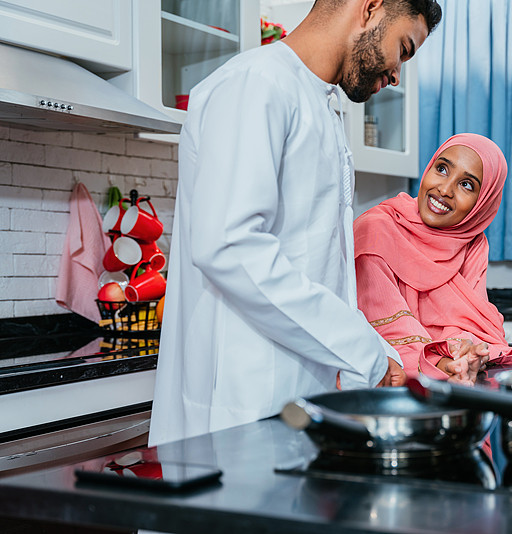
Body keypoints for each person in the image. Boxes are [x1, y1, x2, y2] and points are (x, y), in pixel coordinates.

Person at [149, 0, 443, 447]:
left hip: (295, 401)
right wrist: (363, 351)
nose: (398, 74)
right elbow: (229, 246)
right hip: (242, 401)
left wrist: (379, 354)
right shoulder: (257, 84)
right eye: (403, 48)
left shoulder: (322, 105)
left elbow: (318, 271)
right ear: (371, 8)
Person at [353, 134, 512, 384]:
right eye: (442, 169)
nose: (444, 190)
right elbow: (384, 326)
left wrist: (467, 352)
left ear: (483, 203)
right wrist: (443, 362)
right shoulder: (375, 230)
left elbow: (473, 322)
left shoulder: (473, 242)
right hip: (385, 383)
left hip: (449, 381)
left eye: (467, 185)